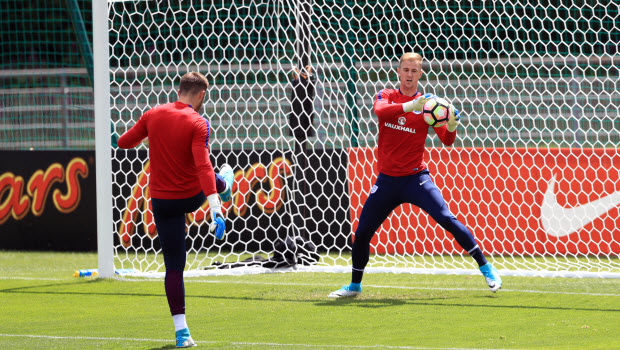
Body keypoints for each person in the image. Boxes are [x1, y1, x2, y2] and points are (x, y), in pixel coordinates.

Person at [329, 53, 502, 298]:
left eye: (414, 71)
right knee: (363, 232)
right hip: (387, 181)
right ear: (398, 72)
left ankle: (486, 268)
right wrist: (410, 106)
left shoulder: (430, 105)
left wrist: (451, 125)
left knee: (446, 218)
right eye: (405, 70)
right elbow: (380, 111)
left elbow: (447, 141)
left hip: (416, 179)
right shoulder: (387, 95)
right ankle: (355, 286)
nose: (409, 75)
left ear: (420, 74)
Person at [118, 72, 234, 347]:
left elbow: (123, 143)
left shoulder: (152, 115)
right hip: (191, 197)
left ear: (179, 89)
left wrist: (147, 137)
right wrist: (216, 207)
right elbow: (202, 165)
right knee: (216, 173)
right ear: (201, 95)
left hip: (161, 201)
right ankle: (226, 182)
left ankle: (182, 333)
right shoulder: (198, 121)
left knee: (173, 268)